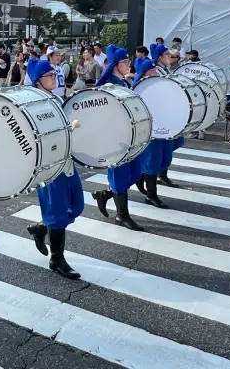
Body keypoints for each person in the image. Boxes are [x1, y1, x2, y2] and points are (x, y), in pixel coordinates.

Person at [24, 57, 83, 279]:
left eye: (54, 75)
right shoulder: (32, 103)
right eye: (49, 76)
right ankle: (57, 259)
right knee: (58, 213)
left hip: (66, 161)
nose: (54, 78)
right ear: (38, 80)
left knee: (76, 206)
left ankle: (41, 228)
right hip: (49, 166)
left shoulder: (57, 100)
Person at [89, 45, 145, 231]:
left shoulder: (123, 83)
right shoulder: (108, 87)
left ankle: (104, 194)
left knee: (136, 174)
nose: (129, 64)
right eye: (125, 62)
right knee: (120, 176)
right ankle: (122, 216)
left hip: (129, 137)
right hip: (115, 139)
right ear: (115, 65)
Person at [131, 58, 169, 208]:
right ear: (145, 74)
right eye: (152, 71)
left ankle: (107, 193)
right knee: (151, 162)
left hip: (157, 129)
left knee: (156, 160)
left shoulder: (154, 85)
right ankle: (151, 195)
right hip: (148, 131)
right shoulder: (140, 88)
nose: (155, 72)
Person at [149, 42, 180, 187]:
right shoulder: (156, 71)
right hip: (161, 116)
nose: (170, 56)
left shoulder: (166, 70)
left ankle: (162, 173)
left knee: (169, 146)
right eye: (167, 54)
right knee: (162, 149)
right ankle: (158, 175)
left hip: (168, 114)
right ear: (160, 57)